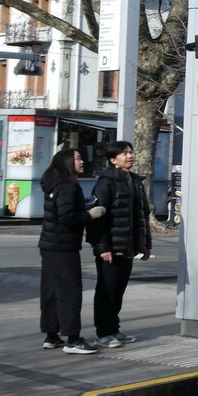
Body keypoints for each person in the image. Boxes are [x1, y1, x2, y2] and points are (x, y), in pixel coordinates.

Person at [38, 149, 106, 355]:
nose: (82, 161)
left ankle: (51, 335)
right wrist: (91, 214)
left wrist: (82, 206)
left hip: (49, 244)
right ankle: (73, 339)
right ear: (67, 162)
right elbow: (67, 218)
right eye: (77, 158)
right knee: (70, 292)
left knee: (51, 291)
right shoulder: (68, 186)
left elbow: (61, 211)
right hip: (63, 247)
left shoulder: (54, 183)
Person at [89, 141, 152, 348]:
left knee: (118, 291)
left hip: (128, 247)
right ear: (113, 160)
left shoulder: (135, 181)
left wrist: (145, 244)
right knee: (106, 291)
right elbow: (98, 219)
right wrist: (102, 247)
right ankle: (103, 332)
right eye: (124, 153)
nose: (130, 156)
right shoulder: (106, 183)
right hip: (111, 248)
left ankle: (113, 328)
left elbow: (143, 215)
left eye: (131, 152)